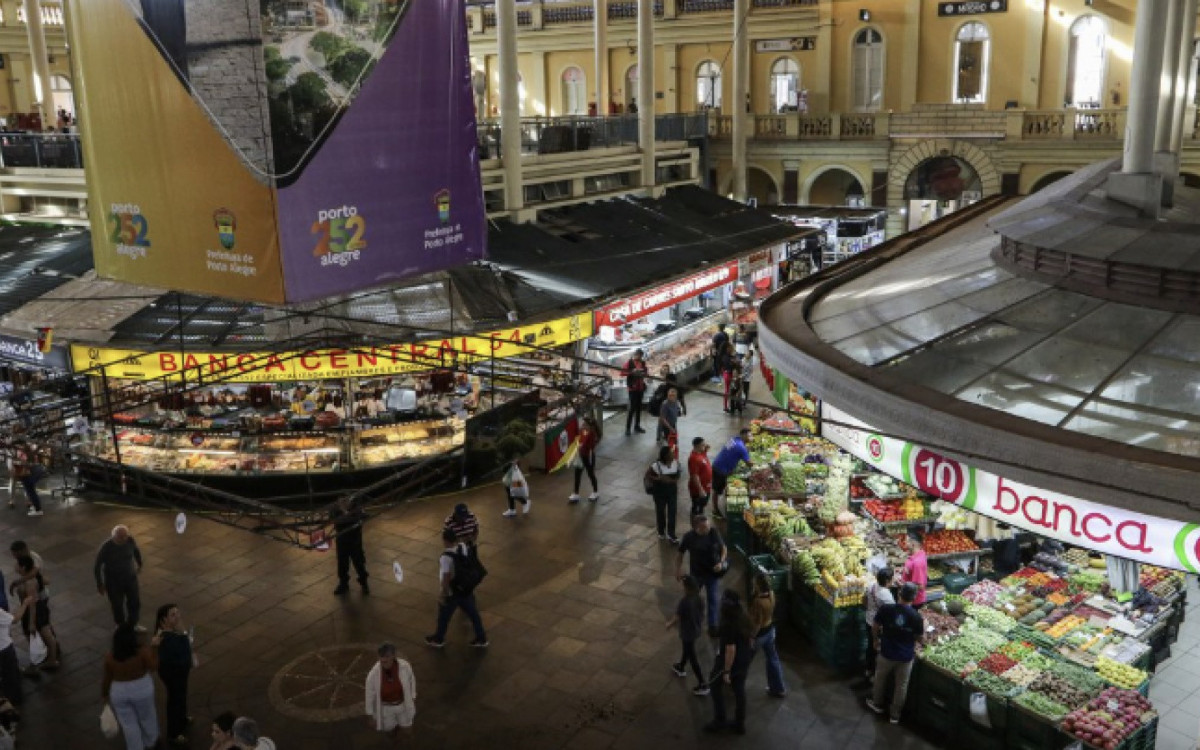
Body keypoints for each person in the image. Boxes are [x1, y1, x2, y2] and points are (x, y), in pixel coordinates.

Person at [867, 582, 924, 725]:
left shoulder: (887, 609)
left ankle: (877, 704)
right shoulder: (916, 617)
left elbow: (875, 626)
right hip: (905, 657)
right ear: (914, 597)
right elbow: (919, 638)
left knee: (880, 679)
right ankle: (895, 715)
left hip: (886, 652)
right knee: (901, 686)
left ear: (899, 593)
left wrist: (875, 640)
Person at [425, 528, 488, 648]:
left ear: (445, 541)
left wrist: (443, 593)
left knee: (444, 617)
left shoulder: (446, 557)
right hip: (465, 588)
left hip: (452, 592)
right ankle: (481, 638)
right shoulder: (462, 547)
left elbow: (446, 576)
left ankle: (439, 639)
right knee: (474, 615)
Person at [102, 623, 160, 750]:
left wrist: (105, 694)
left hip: (119, 691)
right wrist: (155, 648)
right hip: (141, 688)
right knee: (147, 716)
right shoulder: (142, 652)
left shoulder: (110, 657)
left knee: (128, 724)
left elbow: (107, 678)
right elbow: (153, 666)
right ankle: (151, 742)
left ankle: (135, 747)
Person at [705, 590, 755, 735]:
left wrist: (726, 671)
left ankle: (720, 720)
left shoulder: (728, 624)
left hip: (731, 662)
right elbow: (750, 637)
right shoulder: (743, 616)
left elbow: (730, 650)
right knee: (739, 690)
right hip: (744, 659)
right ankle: (740, 723)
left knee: (714, 685)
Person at [675, 514, 727, 635]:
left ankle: (713, 626)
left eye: (708, 526)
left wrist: (721, 562)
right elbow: (680, 554)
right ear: (696, 528)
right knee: (692, 599)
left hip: (712, 573)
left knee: (713, 599)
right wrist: (678, 569)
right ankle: (691, 621)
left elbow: (723, 548)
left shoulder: (713, 532)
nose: (708, 529)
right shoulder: (688, 537)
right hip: (696, 575)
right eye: (705, 527)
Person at [152, 603, 193, 746]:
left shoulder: (170, 634)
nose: (177, 617)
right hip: (174, 675)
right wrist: (184, 634)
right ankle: (174, 733)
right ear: (163, 620)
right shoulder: (167, 637)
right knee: (175, 700)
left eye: (177, 613)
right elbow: (184, 651)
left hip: (178, 673)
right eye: (172, 615)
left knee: (180, 697)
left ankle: (182, 719)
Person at [13, 555, 58, 671]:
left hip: (35, 610)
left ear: (22, 567)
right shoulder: (27, 577)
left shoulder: (29, 582)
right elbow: (46, 581)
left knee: (43, 634)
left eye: (17, 564)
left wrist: (31, 622)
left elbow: (32, 603)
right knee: (45, 633)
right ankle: (49, 658)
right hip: (37, 608)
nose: (15, 566)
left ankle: (46, 660)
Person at [665, 575, 708, 697]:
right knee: (687, 649)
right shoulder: (700, 598)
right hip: (696, 630)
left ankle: (702, 683)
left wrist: (669, 624)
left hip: (687, 632)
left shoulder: (685, 602)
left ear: (687, 587)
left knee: (692, 657)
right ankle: (681, 667)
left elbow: (677, 616)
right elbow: (702, 614)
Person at [95, 525, 144, 629]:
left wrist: (139, 564)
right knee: (117, 604)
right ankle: (120, 625)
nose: (124, 539)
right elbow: (97, 566)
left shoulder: (130, 540)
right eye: (121, 537)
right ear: (114, 537)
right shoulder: (106, 548)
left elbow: (136, 551)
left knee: (134, 601)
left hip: (130, 578)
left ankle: (133, 623)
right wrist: (100, 584)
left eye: (125, 536)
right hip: (114, 582)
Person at [365, 642, 417, 735]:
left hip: (403, 705)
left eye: (387, 658)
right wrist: (370, 715)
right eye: (381, 658)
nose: (383, 661)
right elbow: (369, 695)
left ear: (393, 656)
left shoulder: (404, 666)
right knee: (389, 731)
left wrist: (413, 696)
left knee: (408, 729)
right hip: (386, 708)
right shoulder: (373, 674)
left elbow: (411, 680)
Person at [749, 572, 787, 697]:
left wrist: (752, 637)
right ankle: (778, 688)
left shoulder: (758, 602)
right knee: (773, 660)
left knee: (744, 659)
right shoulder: (771, 594)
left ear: (758, 585)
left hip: (760, 635)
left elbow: (757, 623)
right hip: (771, 631)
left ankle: (734, 682)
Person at [710, 429, 753, 519]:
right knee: (717, 491)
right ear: (743, 435)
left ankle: (723, 503)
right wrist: (760, 465)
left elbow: (730, 451)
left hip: (718, 464)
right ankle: (715, 510)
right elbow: (749, 463)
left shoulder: (734, 439)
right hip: (721, 470)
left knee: (720, 488)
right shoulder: (741, 447)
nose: (751, 438)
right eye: (749, 436)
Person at [331, 496, 370, 596]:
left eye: (346, 500)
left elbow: (362, 517)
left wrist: (346, 516)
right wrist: (347, 516)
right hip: (342, 540)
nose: (344, 502)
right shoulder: (335, 509)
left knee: (359, 562)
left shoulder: (356, 508)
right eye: (342, 501)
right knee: (342, 563)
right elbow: (335, 520)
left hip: (354, 540)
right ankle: (343, 583)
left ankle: (364, 582)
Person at [863, 567, 895, 680]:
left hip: (869, 620)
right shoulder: (887, 596)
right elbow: (891, 615)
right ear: (887, 581)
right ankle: (875, 675)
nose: (893, 580)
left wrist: (869, 610)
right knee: (878, 648)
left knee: (870, 646)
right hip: (879, 626)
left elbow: (864, 600)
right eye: (892, 579)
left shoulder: (871, 585)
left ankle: (868, 669)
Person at [648, 445, 681, 544]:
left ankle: (671, 534)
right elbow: (648, 475)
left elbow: (678, 475)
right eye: (671, 453)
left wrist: (671, 480)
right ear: (665, 456)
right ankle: (661, 531)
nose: (673, 454)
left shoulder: (676, 464)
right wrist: (658, 479)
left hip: (672, 492)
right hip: (659, 492)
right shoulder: (656, 466)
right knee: (660, 511)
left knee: (672, 512)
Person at [569, 418, 600, 503]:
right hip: (581, 456)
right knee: (577, 474)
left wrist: (582, 446)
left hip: (588, 457)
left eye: (585, 424)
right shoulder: (583, 431)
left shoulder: (592, 434)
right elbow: (580, 439)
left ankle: (595, 492)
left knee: (591, 474)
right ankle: (576, 493)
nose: (583, 426)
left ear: (590, 426)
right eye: (583, 424)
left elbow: (590, 446)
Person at [11, 439, 44, 516]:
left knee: (30, 491)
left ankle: (38, 510)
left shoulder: (23, 452)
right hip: (36, 470)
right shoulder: (28, 450)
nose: (15, 448)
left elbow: (25, 464)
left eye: (16, 446)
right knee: (31, 490)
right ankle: (36, 506)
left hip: (30, 472)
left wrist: (18, 466)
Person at [622, 349, 649, 435]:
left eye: (640, 355)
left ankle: (637, 426)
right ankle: (628, 428)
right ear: (635, 354)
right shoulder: (629, 362)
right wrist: (631, 372)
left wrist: (643, 373)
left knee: (638, 408)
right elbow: (622, 372)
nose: (639, 357)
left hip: (640, 388)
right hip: (632, 389)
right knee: (632, 408)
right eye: (638, 355)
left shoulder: (643, 363)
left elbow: (646, 373)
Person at [0, 597, 20, 707]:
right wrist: (25, 604)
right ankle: (12, 701)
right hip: (4, 649)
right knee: (10, 675)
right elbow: (15, 619)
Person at [686, 437, 712, 518]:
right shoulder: (694, 459)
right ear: (697, 446)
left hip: (706, 486)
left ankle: (700, 516)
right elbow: (694, 476)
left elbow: (706, 450)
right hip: (699, 490)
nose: (705, 445)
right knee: (697, 507)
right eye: (703, 445)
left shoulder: (701, 453)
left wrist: (705, 448)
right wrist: (700, 490)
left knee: (702, 505)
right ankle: (695, 522)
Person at [900, 534, 928, 608]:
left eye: (907, 541)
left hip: (913, 601)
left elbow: (920, 586)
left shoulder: (917, 563)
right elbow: (911, 569)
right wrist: (903, 570)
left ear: (913, 544)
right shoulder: (917, 554)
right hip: (908, 596)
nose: (905, 542)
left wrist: (902, 585)